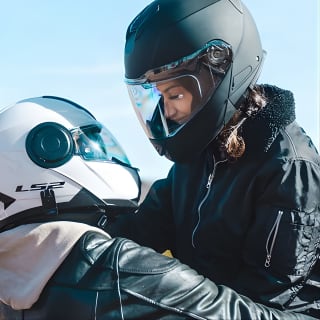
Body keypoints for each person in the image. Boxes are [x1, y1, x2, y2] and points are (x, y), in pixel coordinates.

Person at [2, 96, 314, 320]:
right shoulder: (117, 265)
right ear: (48, 151)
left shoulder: (15, 269)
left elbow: (146, 223)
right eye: (88, 145)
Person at [105, 0, 320, 318]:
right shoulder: (197, 155)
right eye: (161, 97)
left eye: (175, 95)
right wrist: (77, 249)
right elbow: (141, 231)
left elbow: (269, 290)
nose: (168, 111)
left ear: (218, 72)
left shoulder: (288, 166)